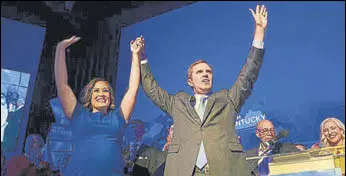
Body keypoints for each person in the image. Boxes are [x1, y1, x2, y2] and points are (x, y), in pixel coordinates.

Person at [139, 5, 268, 176]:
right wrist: (141, 58)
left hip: (223, 169)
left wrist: (259, 32)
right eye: (199, 72)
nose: (206, 74)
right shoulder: (178, 103)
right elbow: (152, 89)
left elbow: (248, 75)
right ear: (190, 81)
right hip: (186, 171)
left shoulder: (227, 100)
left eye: (209, 71)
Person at [54, 35, 142, 176]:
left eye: (105, 90)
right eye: (96, 91)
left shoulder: (118, 118)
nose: (101, 94)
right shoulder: (78, 115)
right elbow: (62, 85)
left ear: (110, 97)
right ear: (90, 97)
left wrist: (135, 54)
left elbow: (133, 88)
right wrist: (60, 48)